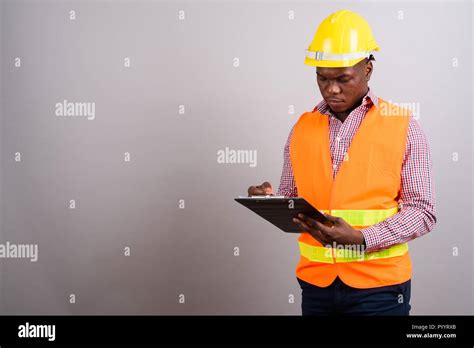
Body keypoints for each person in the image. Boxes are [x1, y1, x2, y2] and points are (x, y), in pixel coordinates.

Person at [247, 9, 437, 315]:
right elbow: (293, 199)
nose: (331, 89)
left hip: (380, 289)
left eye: (342, 78)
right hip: (316, 284)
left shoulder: (402, 125)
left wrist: (362, 238)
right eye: (322, 78)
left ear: (368, 70)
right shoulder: (302, 127)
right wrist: (270, 200)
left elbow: (423, 211)